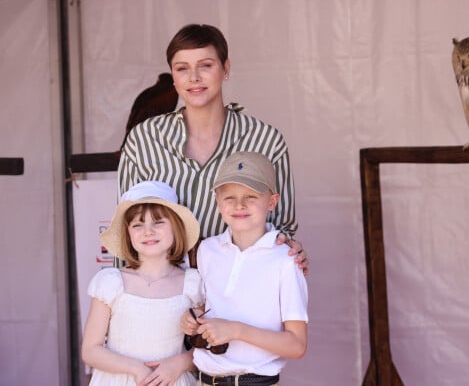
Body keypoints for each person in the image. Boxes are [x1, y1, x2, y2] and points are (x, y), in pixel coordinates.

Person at [117, 24, 308, 272]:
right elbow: (126, 235)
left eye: (205, 65)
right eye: (182, 68)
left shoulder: (266, 141)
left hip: (239, 290)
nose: (194, 77)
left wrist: (291, 250)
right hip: (163, 295)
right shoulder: (143, 140)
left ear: (225, 68)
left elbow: (281, 230)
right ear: (172, 76)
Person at [181, 152, 308, 386]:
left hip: (255, 381)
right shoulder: (206, 251)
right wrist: (190, 321)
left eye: (251, 196)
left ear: (272, 202)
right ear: (218, 203)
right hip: (202, 380)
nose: (239, 205)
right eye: (229, 197)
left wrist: (237, 331)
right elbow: (200, 308)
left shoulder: (287, 260)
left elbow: (297, 345)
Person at [81, 181, 204, 386]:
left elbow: (205, 346)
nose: (148, 231)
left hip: (172, 380)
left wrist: (180, 363)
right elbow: (90, 350)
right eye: (138, 225)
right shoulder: (112, 283)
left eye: (158, 223)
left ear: (176, 229)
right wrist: (135, 368)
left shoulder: (191, 284)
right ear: (128, 234)